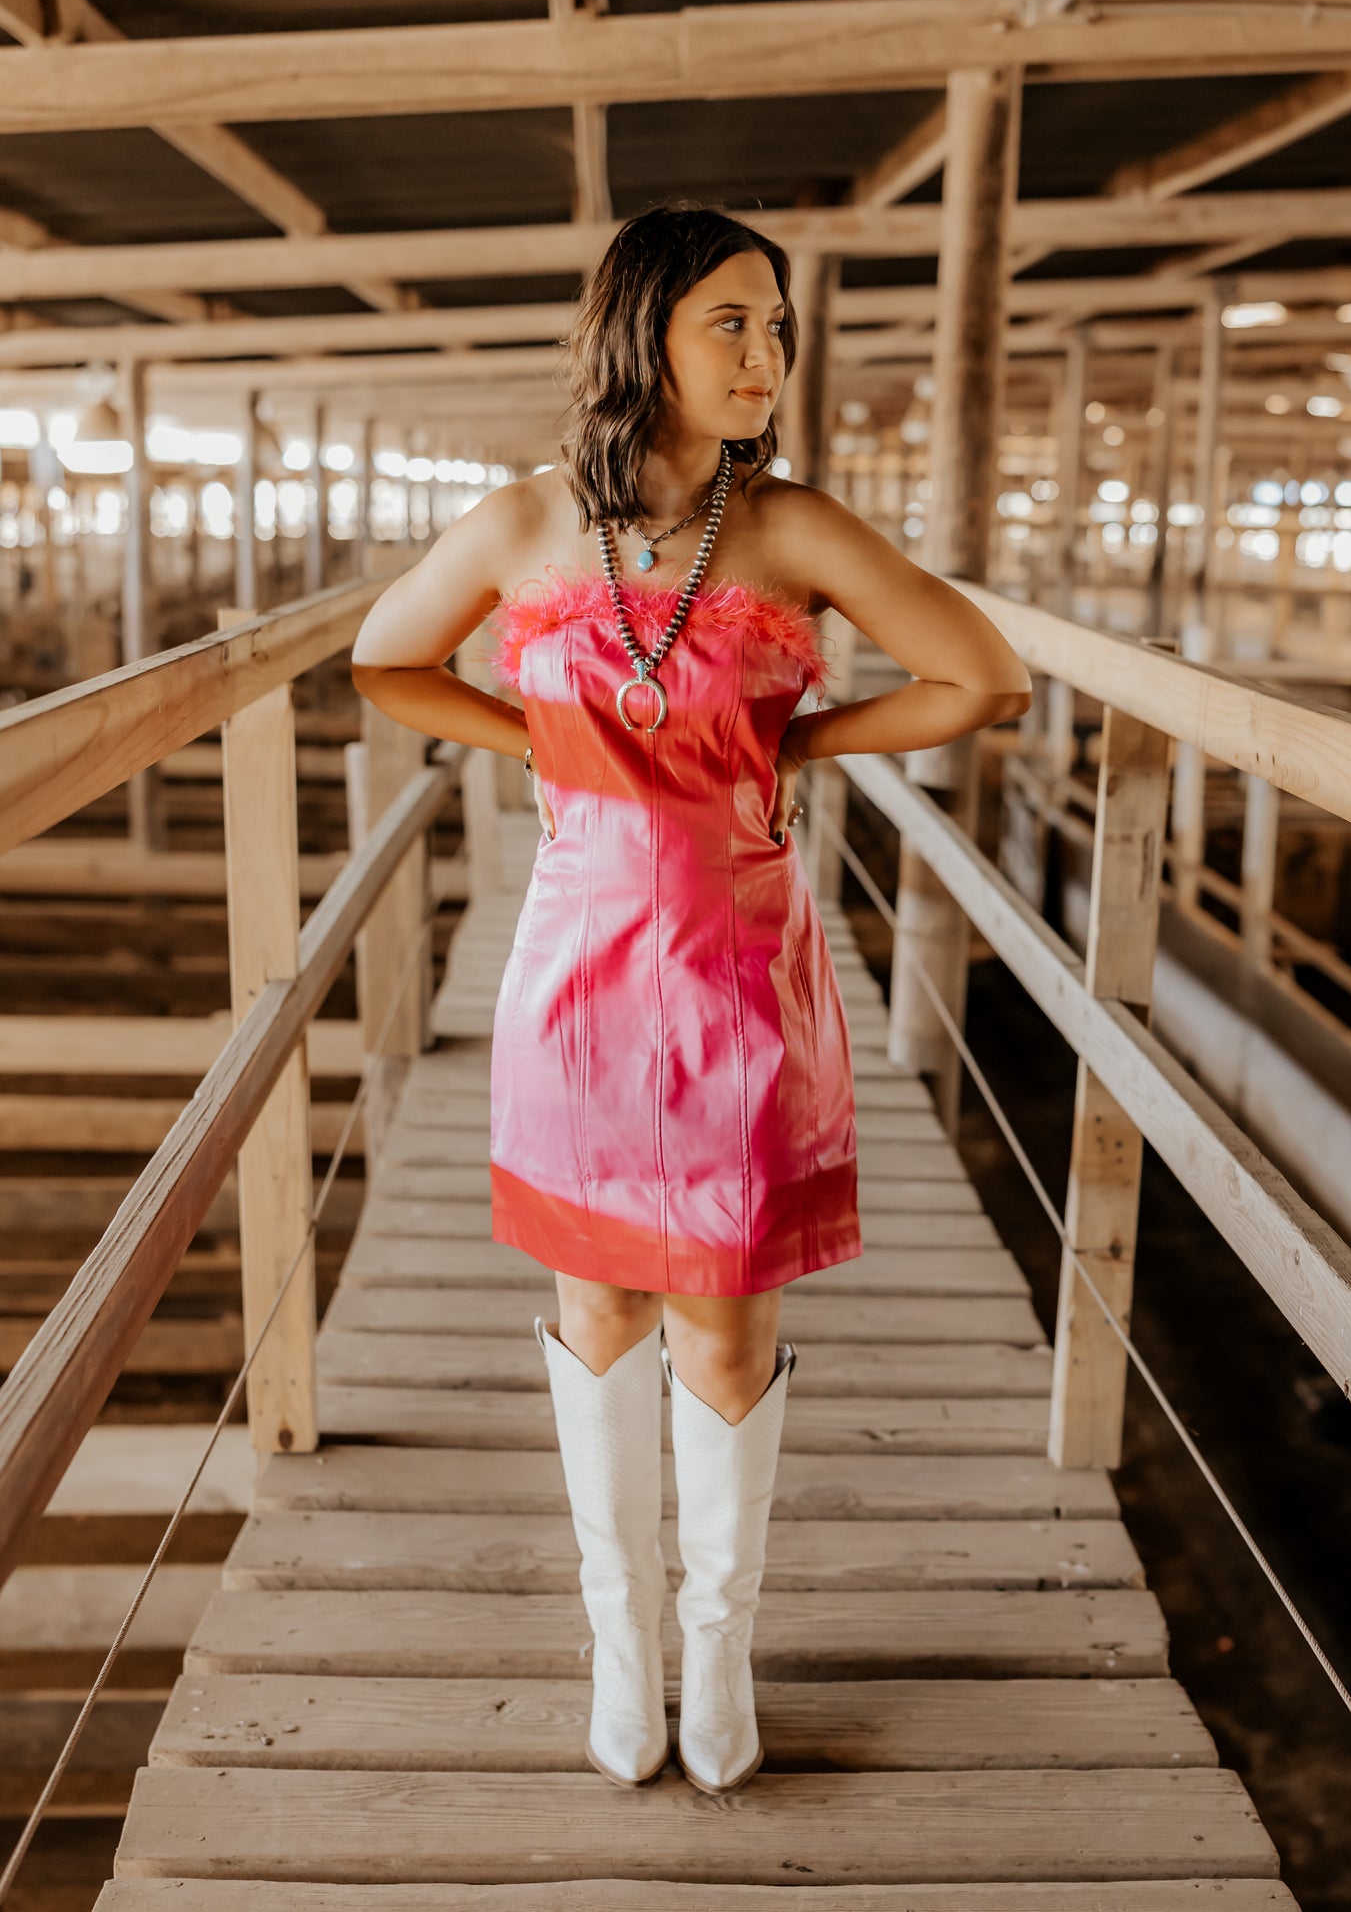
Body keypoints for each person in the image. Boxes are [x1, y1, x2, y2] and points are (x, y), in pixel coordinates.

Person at [350, 201, 1033, 1796]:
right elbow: (388, 660)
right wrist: (548, 749)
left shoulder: (789, 527)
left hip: (738, 964)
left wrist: (793, 744)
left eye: (779, 326)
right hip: (576, 967)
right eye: (733, 321)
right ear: (640, 331)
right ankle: (621, 1651)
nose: (766, 354)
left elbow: (982, 677)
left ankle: (717, 1654)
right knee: (595, 1310)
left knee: (722, 1321)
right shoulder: (524, 521)